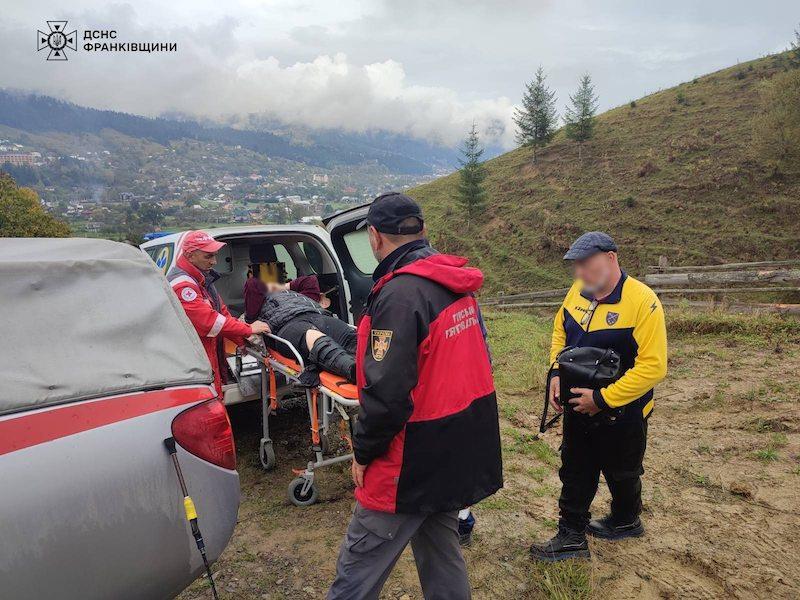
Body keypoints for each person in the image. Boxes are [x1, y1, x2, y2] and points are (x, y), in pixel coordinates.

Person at [328, 192, 503, 600]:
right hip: (456, 446)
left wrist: (363, 451)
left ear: (374, 237)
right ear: (423, 230)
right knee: (441, 552)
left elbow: (386, 395)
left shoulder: (400, 295)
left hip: (409, 458)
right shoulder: (455, 284)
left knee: (359, 565)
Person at [530, 231, 667, 562]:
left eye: (585, 265)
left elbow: (653, 368)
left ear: (610, 259)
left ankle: (626, 520)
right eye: (575, 266)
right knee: (576, 467)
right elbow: (560, 329)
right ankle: (571, 536)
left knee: (624, 470)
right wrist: (556, 372)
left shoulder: (643, 302)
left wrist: (603, 398)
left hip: (624, 411)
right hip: (579, 406)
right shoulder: (578, 291)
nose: (579, 274)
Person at [167, 231, 270, 395]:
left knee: (214, 395)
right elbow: (210, 322)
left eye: (215, 256)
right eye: (208, 256)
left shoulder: (202, 278)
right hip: (194, 358)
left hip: (207, 351)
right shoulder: (183, 286)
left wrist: (239, 339)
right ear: (190, 255)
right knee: (206, 399)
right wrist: (249, 330)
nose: (214, 261)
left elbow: (222, 313)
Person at [246, 274, 357, 382]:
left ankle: (372, 366)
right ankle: (355, 371)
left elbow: (310, 280)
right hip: (287, 324)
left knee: (351, 337)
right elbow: (252, 283)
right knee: (313, 337)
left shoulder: (302, 295)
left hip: (318, 316)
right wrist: (271, 287)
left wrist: (284, 287)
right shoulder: (258, 304)